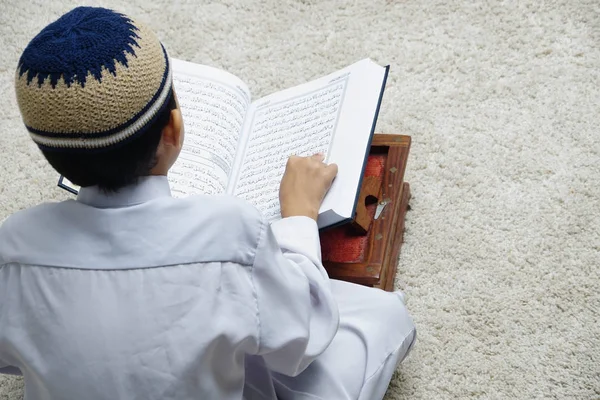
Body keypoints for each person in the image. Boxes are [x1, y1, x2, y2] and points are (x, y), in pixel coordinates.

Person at [0, 6, 416, 400]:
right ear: (174, 128)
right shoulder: (233, 234)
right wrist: (300, 216)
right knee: (382, 316)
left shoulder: (12, 247)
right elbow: (301, 341)